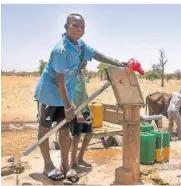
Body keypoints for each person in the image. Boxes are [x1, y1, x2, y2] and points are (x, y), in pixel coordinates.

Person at [34, 13, 127, 183]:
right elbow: (60, 81)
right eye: (75, 26)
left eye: (82, 27)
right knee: (45, 128)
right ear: (66, 27)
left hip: (64, 95)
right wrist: (69, 107)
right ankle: (48, 165)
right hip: (49, 93)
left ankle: (65, 166)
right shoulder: (60, 50)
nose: (79, 29)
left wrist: (117, 63)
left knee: (64, 130)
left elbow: (97, 54)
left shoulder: (79, 45)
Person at [69, 60, 93, 169]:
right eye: (82, 61)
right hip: (75, 109)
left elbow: (84, 93)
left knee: (89, 134)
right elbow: (68, 95)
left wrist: (89, 110)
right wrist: (77, 112)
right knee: (76, 136)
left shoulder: (82, 74)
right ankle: (73, 163)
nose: (84, 63)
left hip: (84, 108)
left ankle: (80, 158)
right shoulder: (71, 74)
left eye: (86, 61)